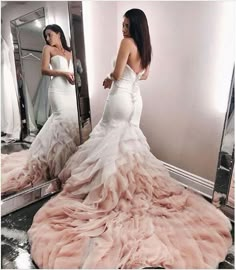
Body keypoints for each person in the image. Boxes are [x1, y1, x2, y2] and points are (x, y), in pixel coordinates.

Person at [28, 10, 232, 269]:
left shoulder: (126, 43)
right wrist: (125, 77)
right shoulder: (145, 48)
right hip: (135, 100)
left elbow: (115, 72)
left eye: (126, 25)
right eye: (122, 25)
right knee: (127, 144)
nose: (123, 29)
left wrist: (108, 77)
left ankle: (109, 191)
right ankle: (126, 188)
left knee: (111, 141)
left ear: (134, 25)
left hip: (121, 97)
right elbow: (144, 75)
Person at [1, 24, 80, 194]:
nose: (47, 38)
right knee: (61, 122)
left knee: (72, 123)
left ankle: (70, 163)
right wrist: (63, 73)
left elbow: (74, 71)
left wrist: (72, 77)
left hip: (69, 90)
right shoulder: (47, 49)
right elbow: (44, 70)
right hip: (57, 90)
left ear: (59, 33)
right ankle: (54, 167)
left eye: (50, 35)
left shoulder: (70, 52)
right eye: (46, 36)